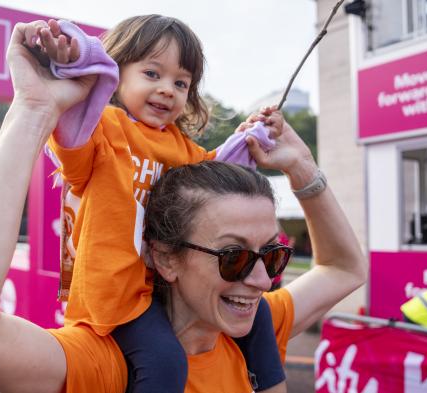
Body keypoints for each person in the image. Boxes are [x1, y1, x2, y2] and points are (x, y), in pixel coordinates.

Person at [0, 20, 367, 392]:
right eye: (233, 256)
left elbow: (342, 266)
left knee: (261, 337)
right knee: (165, 363)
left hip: (155, 301)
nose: (260, 280)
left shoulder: (185, 155)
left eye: (272, 255)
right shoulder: (110, 363)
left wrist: (292, 162)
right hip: (119, 304)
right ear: (165, 255)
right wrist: (36, 108)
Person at [35, 16, 283, 392]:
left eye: (180, 83)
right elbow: (71, 128)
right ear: (115, 73)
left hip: (161, 289)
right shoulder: (103, 126)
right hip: (117, 297)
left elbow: (219, 175)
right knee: (165, 361)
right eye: (152, 74)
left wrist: (253, 136)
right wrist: (72, 60)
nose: (168, 90)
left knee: (261, 311)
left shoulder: (182, 148)